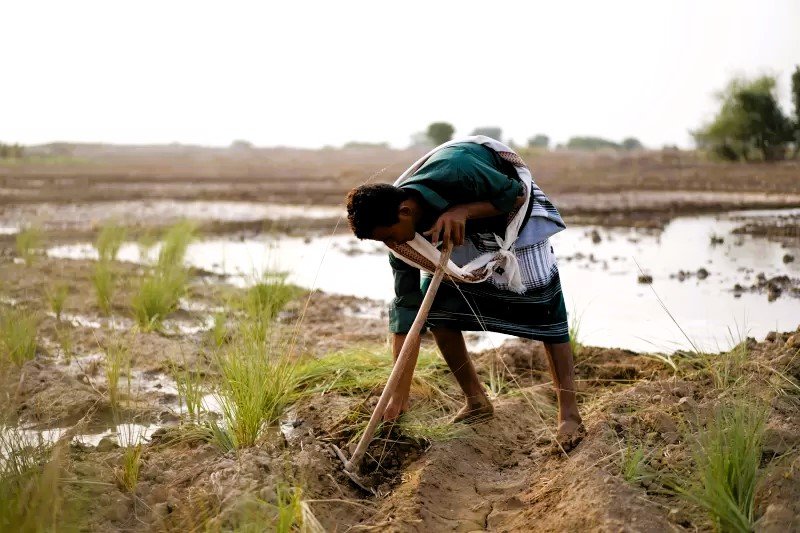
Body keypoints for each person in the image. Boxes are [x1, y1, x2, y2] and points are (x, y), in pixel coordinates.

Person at [345, 138, 584, 448]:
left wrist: (463, 210)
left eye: (389, 236)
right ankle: (476, 402)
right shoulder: (401, 241)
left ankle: (569, 415)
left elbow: (514, 193)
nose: (391, 245)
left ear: (405, 211)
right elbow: (408, 312)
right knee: (439, 313)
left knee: (545, 310)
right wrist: (398, 398)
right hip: (454, 228)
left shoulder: (459, 168)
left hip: (511, 215)